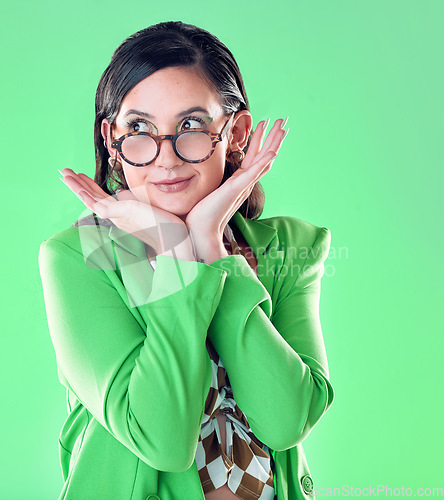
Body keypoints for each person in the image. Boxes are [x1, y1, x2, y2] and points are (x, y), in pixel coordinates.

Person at [39, 20, 334, 500]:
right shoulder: (78, 256)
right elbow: (160, 439)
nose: (165, 158)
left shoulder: (287, 248)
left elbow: (286, 421)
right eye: (139, 129)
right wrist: (175, 253)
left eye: (191, 126)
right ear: (113, 142)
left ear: (236, 132)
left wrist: (210, 245)